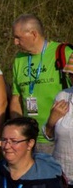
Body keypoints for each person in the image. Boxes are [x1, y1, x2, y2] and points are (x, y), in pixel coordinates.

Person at [10, 14, 73, 153]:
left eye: (18, 37)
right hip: (30, 139)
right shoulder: (19, 60)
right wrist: (18, 132)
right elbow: (16, 98)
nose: (15, 42)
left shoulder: (63, 53)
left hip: (58, 137)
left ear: (33, 34)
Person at [43, 54, 73, 184]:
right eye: (70, 74)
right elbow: (49, 136)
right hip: (62, 175)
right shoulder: (63, 96)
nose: (71, 77)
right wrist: (51, 120)